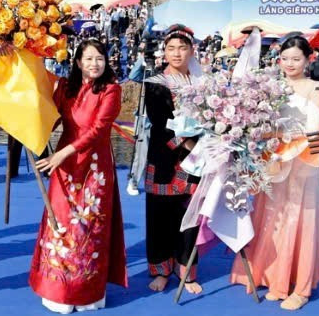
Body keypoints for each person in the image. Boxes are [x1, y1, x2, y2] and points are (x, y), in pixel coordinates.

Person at [230, 35, 319, 310]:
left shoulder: (317, 88)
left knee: (299, 219)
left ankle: (301, 287)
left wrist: (277, 133)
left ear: (308, 59)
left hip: (303, 162)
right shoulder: (271, 85)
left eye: (296, 59)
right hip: (273, 159)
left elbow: (313, 129)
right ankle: (274, 277)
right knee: (272, 217)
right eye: (285, 58)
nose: (289, 64)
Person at [30, 39, 127, 314]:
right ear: (77, 62)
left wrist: (61, 155)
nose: (95, 63)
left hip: (95, 166)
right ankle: (57, 290)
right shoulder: (66, 88)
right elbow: (51, 118)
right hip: (64, 163)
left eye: (100, 58)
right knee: (60, 221)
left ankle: (87, 292)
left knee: (88, 226)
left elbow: (98, 130)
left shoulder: (111, 89)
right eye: (89, 59)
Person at [140, 24, 202, 294]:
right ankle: (161, 270)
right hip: (165, 159)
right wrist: (188, 143)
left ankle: (186, 270)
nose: (176, 53)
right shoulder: (155, 82)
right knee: (160, 217)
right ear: (164, 51)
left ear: (191, 50)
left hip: (197, 159)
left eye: (182, 48)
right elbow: (160, 122)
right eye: (171, 48)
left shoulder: (202, 82)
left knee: (189, 216)